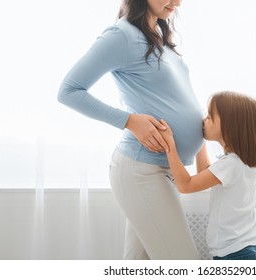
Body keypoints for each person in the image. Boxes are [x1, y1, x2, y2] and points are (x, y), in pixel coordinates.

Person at [58, 0, 203, 260]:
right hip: (141, 170)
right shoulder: (121, 35)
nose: (178, 2)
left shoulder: (157, 35)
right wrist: (130, 121)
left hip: (162, 169)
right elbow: (68, 91)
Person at [159, 91, 256, 260]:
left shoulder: (231, 164)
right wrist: (199, 142)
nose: (204, 120)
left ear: (229, 125)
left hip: (235, 253)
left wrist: (169, 145)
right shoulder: (241, 161)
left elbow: (186, 185)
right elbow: (204, 174)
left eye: (209, 117)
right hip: (247, 247)